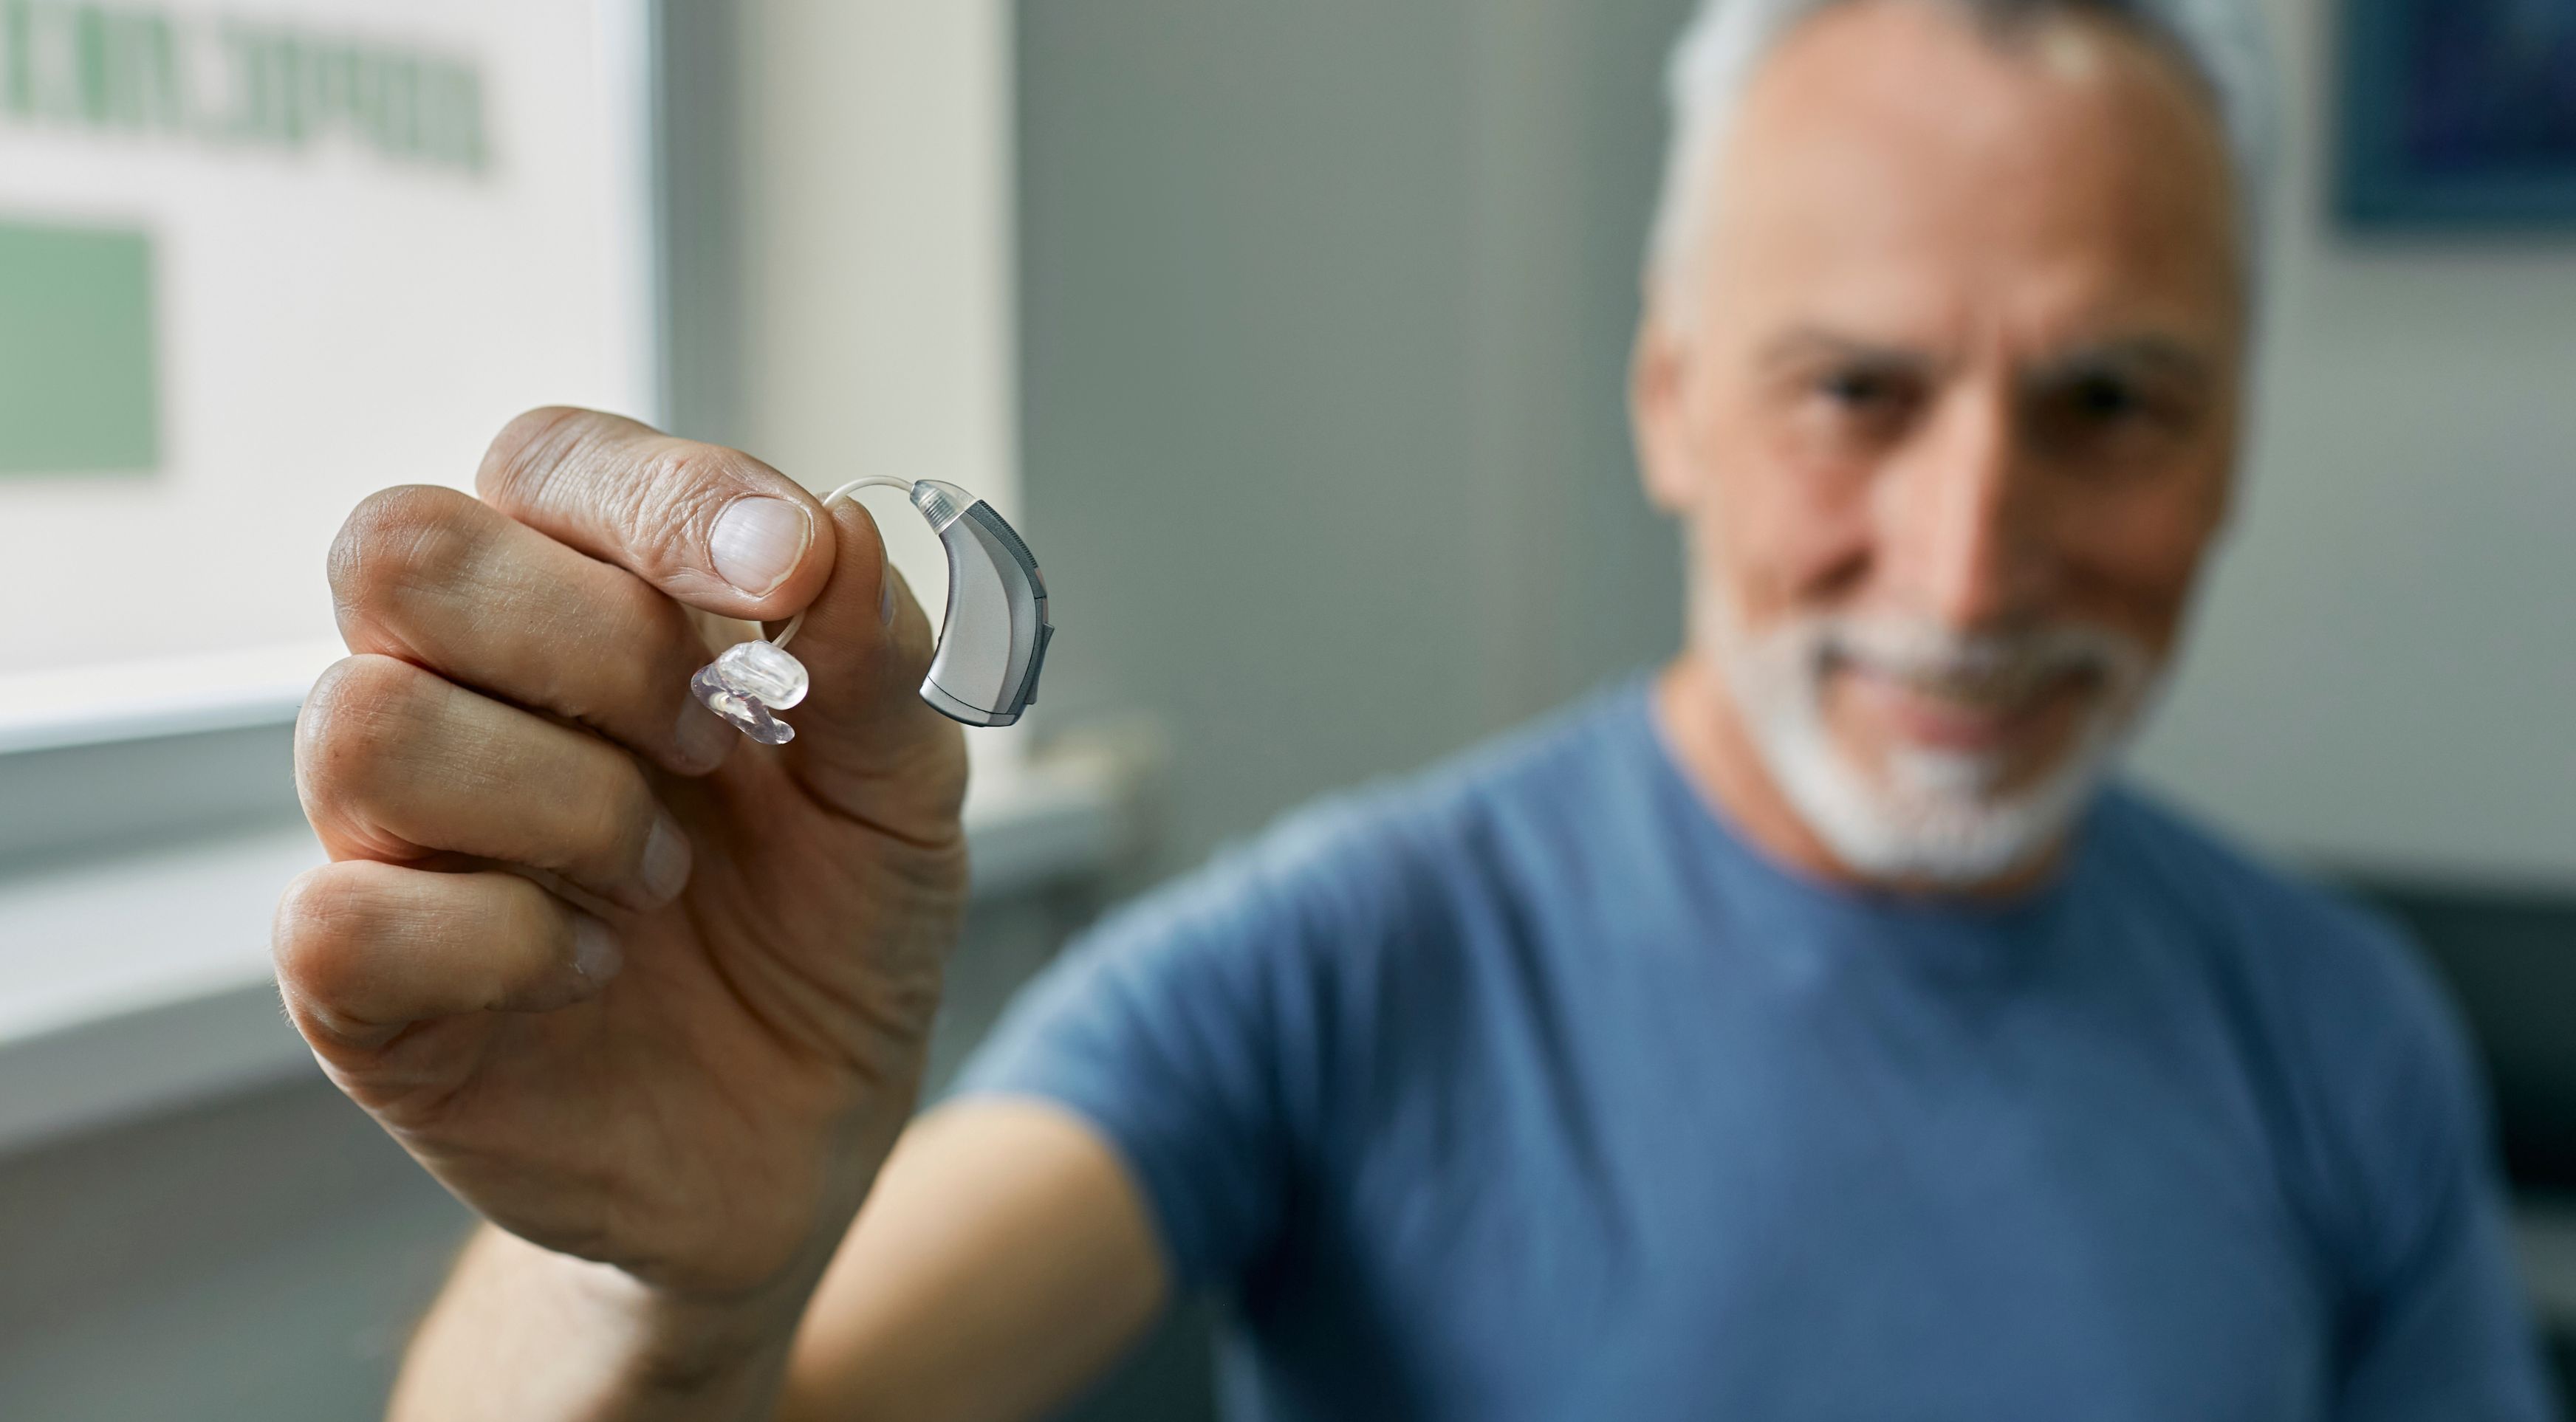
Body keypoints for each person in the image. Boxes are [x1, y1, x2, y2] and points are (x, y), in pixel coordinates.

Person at [273, 0, 2556, 1417]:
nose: (1967, 565)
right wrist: (655, 1287)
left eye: (2112, 404)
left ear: (2234, 439)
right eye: (1855, 390)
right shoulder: (1341, 962)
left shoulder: (2334, 1032)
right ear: (1670, 398)